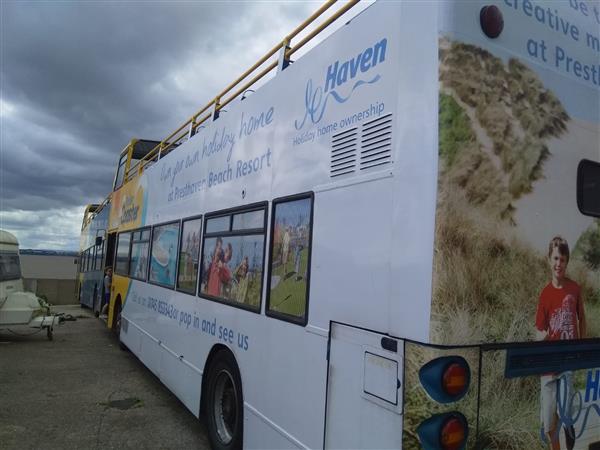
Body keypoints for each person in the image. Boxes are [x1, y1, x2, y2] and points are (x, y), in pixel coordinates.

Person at [535, 236, 586, 450]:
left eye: (563, 259)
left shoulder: (574, 289)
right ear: (549, 260)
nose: (559, 264)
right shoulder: (545, 294)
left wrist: (581, 347)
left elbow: (582, 318)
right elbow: (538, 330)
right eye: (555, 258)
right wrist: (543, 336)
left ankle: (569, 431)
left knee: (566, 412)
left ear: (567, 262)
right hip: (548, 365)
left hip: (567, 362)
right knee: (549, 420)